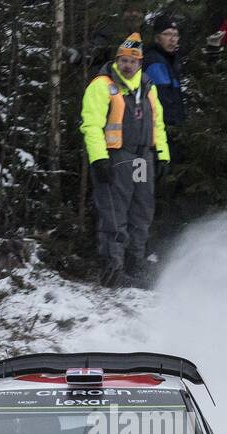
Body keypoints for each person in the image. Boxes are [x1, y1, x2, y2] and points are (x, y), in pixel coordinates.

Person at [80, 33, 170, 288]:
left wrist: (162, 154)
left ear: (140, 63)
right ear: (117, 60)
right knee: (114, 211)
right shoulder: (101, 85)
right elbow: (91, 125)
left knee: (142, 211)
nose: (127, 65)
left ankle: (135, 263)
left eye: (132, 61)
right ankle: (112, 267)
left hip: (144, 157)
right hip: (116, 156)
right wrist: (99, 158)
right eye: (123, 60)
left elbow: (158, 123)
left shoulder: (148, 87)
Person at [143, 15, 185, 159]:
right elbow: (162, 99)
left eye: (175, 35)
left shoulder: (171, 61)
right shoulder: (155, 60)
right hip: (163, 132)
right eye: (167, 34)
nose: (172, 39)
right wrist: (173, 127)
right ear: (157, 38)